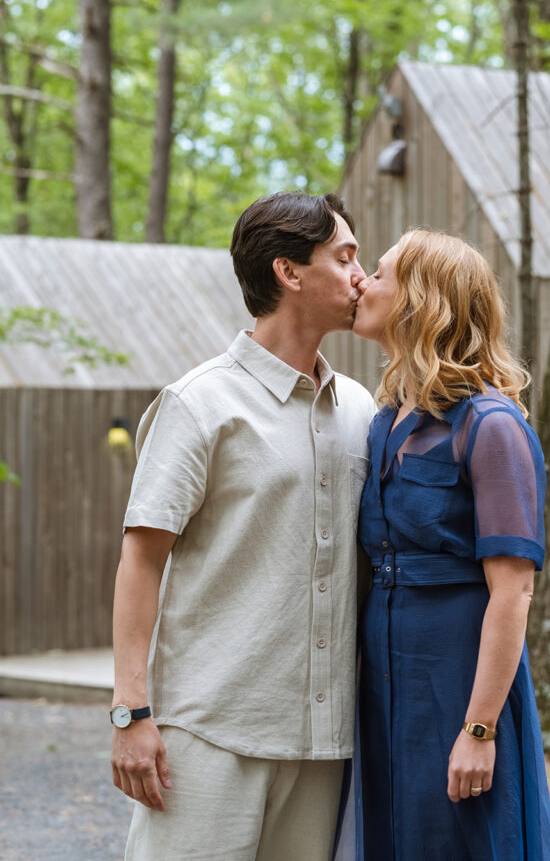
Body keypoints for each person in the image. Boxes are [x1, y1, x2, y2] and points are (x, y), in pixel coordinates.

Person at [110, 192, 376, 861]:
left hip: (323, 742)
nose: (360, 276)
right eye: (344, 257)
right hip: (209, 733)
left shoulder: (363, 412)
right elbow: (141, 561)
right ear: (289, 273)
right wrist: (131, 712)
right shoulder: (199, 404)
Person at [351, 229, 550, 861]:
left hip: (461, 678)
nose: (362, 280)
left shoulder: (492, 428)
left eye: (379, 272)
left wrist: (480, 728)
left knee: (465, 839)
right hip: (389, 676)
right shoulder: (386, 424)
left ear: (420, 300)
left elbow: (514, 592)